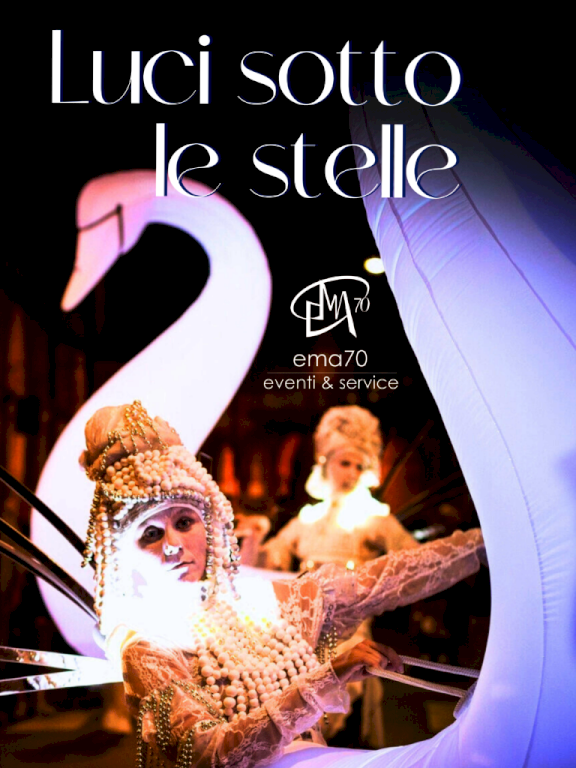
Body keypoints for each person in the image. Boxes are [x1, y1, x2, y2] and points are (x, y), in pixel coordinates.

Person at [80, 401, 485, 768]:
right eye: (150, 534)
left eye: (184, 522)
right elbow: (208, 755)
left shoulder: (266, 602)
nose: (173, 545)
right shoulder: (148, 648)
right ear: (124, 553)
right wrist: (325, 680)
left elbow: (382, 581)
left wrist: (485, 546)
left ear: (210, 526)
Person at [238, 406, 418, 746]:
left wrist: (377, 582)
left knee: (334, 699)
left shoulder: (375, 518)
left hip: (348, 626)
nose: (350, 473)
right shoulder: (308, 519)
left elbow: (415, 561)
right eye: (344, 463)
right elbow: (269, 560)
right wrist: (256, 533)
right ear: (326, 463)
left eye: (359, 466)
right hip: (300, 627)